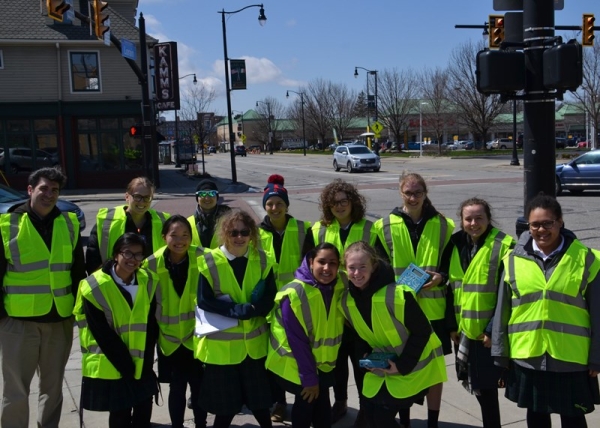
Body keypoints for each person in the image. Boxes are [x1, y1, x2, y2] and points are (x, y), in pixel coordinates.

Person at [492, 194, 600, 428]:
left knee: (574, 420)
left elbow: (598, 314)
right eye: (535, 225)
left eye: (547, 223)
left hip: (571, 358)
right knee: (537, 418)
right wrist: (500, 352)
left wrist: (596, 357)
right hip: (528, 356)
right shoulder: (511, 259)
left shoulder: (586, 258)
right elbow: (503, 310)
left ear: (560, 222)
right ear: (528, 226)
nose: (541, 230)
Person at [0, 167, 86, 428]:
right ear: (30, 190)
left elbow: (76, 272)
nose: (49, 194)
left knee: (53, 389)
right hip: (18, 322)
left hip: (58, 320)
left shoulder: (69, 223)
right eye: (43, 189)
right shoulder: (8, 224)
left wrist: (76, 312)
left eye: (54, 190)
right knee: (15, 391)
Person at [373, 172, 454, 428]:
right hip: (401, 311)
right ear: (400, 193)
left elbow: (452, 265)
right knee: (405, 368)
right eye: (408, 192)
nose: (413, 197)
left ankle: (432, 422)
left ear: (425, 193)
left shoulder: (444, 225)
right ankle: (405, 419)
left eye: (418, 192)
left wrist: (442, 276)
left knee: (434, 372)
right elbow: (379, 269)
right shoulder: (383, 226)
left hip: (434, 311)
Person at [340, 241, 447, 428]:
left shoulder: (397, 295)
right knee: (370, 418)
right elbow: (359, 334)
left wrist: (402, 365)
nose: (357, 273)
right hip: (382, 368)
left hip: (414, 367)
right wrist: (363, 357)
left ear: (373, 266)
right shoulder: (347, 300)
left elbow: (422, 332)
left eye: (362, 267)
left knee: (381, 419)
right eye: (352, 268)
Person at [195, 209, 277, 428]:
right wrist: (236, 310)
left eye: (244, 232)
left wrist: (253, 310)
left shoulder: (263, 260)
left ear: (251, 234)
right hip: (222, 352)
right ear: (225, 233)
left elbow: (269, 297)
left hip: (254, 348)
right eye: (234, 232)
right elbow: (204, 300)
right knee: (226, 407)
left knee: (260, 403)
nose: (239, 237)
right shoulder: (210, 261)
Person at [309, 178, 379, 425]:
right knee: (336, 364)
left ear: (353, 202)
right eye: (333, 202)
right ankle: (340, 402)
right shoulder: (318, 230)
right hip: (331, 310)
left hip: (361, 311)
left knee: (362, 363)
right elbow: (310, 267)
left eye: (343, 201)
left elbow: (380, 267)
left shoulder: (371, 228)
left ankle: (365, 409)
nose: (339, 206)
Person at [443, 198, 515, 428]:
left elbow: (509, 294)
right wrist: (451, 326)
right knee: (481, 391)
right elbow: (450, 289)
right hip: (464, 331)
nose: (473, 223)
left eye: (479, 218)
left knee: (488, 392)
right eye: (468, 219)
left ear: (488, 219)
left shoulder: (504, 245)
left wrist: (493, 330)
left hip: (486, 335)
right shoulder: (455, 244)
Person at [74, 233, 159, 427]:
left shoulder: (149, 281)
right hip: (114, 364)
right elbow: (102, 333)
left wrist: (145, 363)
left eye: (139, 255)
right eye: (128, 253)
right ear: (116, 254)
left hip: (142, 363)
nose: (133, 260)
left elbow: (150, 324)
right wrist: (128, 367)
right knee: (120, 415)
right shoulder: (94, 286)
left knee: (143, 412)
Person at [266, 243, 346, 428]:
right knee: (307, 404)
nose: (327, 268)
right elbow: (297, 342)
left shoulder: (340, 284)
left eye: (333, 263)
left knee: (322, 408)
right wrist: (309, 379)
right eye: (322, 262)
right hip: (295, 365)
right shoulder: (294, 293)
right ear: (311, 262)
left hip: (322, 364)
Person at [144, 215, 207, 428]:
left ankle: (201, 424)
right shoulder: (151, 264)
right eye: (174, 235)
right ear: (164, 237)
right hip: (169, 340)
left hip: (197, 337)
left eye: (185, 235)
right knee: (177, 387)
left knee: (199, 387)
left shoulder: (203, 258)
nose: (180, 240)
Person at [258, 174, 312, 422]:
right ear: (265, 206)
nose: (275, 208)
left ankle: (306, 397)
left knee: (300, 351)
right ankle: (279, 402)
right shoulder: (256, 234)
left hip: (298, 302)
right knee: (275, 354)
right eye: (270, 204)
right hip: (270, 304)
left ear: (287, 205)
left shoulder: (303, 229)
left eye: (279, 203)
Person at [85, 176, 170, 274]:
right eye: (137, 197)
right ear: (127, 197)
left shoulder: (163, 221)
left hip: (151, 284)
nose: (142, 202)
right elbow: (93, 258)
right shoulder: (107, 221)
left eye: (147, 197)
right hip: (116, 284)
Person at [188, 179, 231, 249]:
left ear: (217, 197)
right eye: (202, 194)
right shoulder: (188, 223)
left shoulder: (229, 220)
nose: (207, 198)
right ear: (197, 198)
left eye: (212, 193)